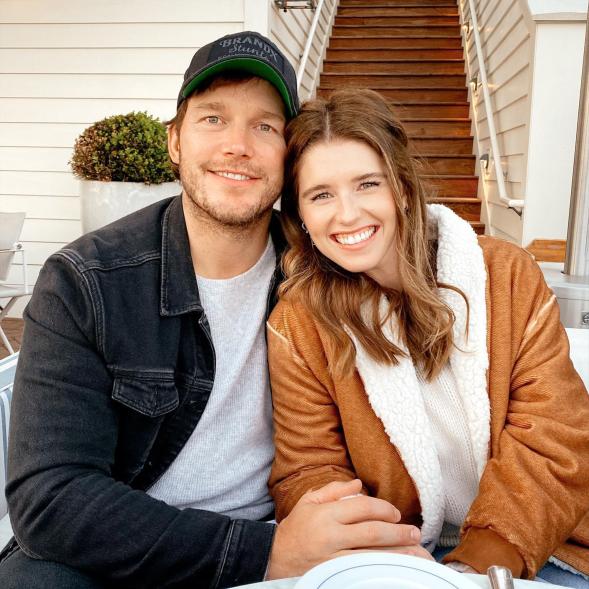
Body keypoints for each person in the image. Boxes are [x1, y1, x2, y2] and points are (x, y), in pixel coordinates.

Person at [0, 36, 425, 589]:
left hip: (282, 529)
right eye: (213, 119)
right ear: (175, 141)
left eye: (265, 126)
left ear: (290, 156)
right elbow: (51, 497)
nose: (238, 146)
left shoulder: (328, 265)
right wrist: (263, 552)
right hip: (128, 547)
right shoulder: (86, 281)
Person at [267, 88, 589, 587]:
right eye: (321, 194)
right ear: (301, 217)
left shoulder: (504, 274)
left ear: (401, 186)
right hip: (400, 555)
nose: (347, 214)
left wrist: (470, 569)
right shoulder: (299, 322)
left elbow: (555, 437)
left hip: (542, 545)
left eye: (367, 184)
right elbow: (311, 467)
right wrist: (385, 554)